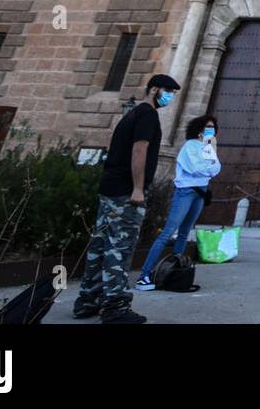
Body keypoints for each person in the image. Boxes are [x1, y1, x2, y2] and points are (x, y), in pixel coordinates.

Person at [73, 73, 180, 323]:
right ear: (154, 89)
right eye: (168, 91)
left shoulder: (130, 114)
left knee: (99, 246)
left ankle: (88, 301)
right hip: (124, 192)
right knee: (119, 248)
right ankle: (115, 307)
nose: (170, 97)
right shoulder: (147, 114)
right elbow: (139, 149)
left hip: (110, 188)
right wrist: (138, 188)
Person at [136, 114, 221, 290]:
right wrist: (208, 168)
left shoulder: (208, 148)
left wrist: (209, 165)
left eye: (213, 127)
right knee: (168, 232)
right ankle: (144, 275)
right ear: (199, 129)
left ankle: (174, 271)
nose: (211, 130)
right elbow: (196, 169)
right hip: (185, 192)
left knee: (184, 233)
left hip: (200, 192)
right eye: (208, 127)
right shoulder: (190, 145)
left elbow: (216, 168)